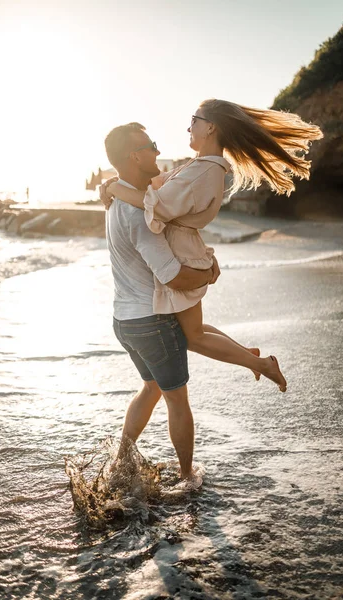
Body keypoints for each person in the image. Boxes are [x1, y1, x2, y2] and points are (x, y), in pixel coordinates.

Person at [102, 99, 323, 393]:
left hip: (185, 254)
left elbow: (154, 205)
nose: (188, 127)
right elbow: (155, 183)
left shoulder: (205, 172)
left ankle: (261, 364)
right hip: (185, 249)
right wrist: (110, 183)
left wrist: (114, 187)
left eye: (194, 120)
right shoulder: (198, 166)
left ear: (210, 127)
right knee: (193, 331)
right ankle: (253, 358)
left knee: (193, 336)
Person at [104, 122, 221, 486]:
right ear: (134, 156)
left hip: (124, 320)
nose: (158, 150)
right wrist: (209, 274)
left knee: (151, 388)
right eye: (151, 145)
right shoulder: (139, 214)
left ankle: (119, 461)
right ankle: (187, 477)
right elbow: (172, 275)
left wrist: (107, 185)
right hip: (151, 322)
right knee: (176, 401)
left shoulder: (117, 202)